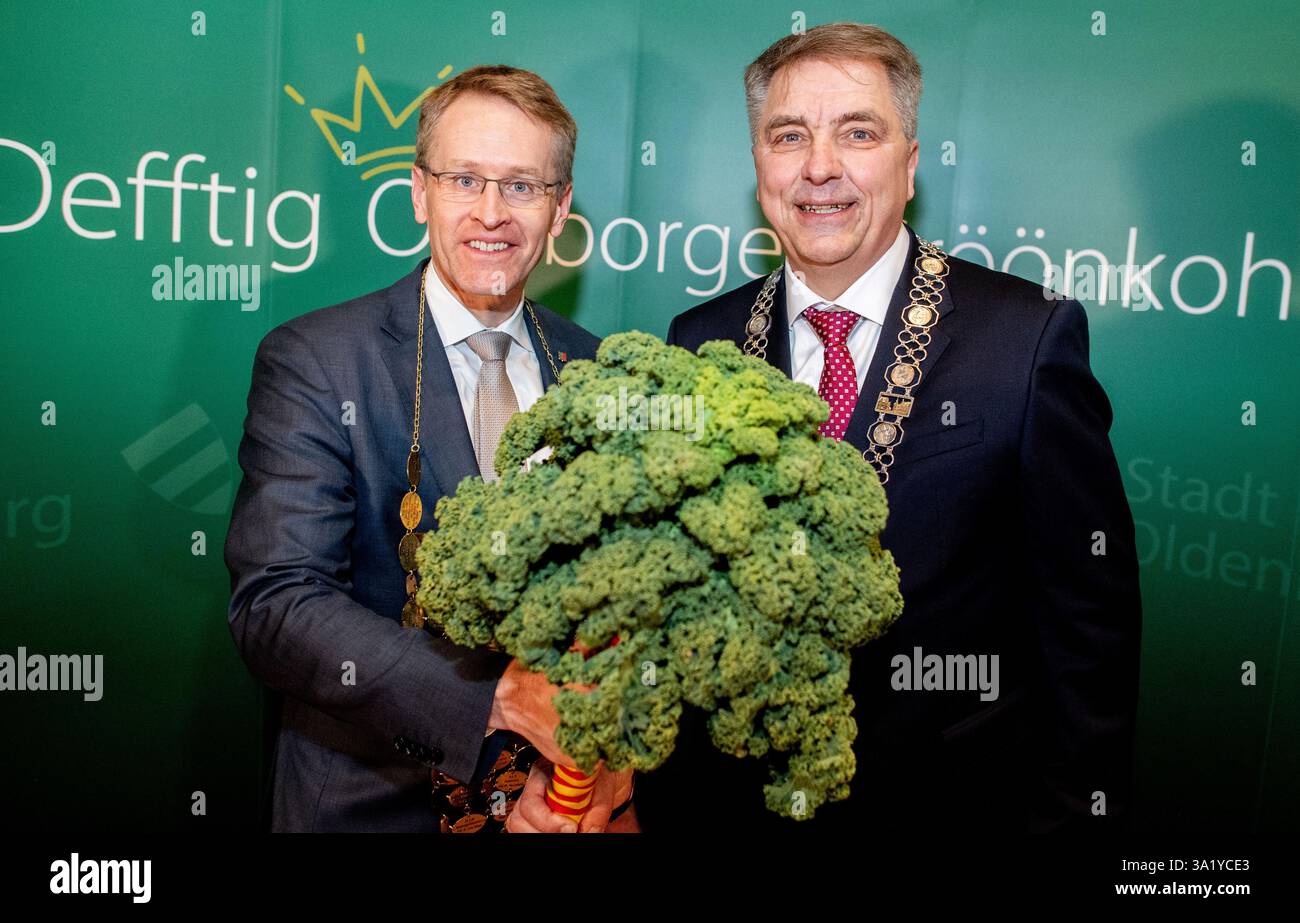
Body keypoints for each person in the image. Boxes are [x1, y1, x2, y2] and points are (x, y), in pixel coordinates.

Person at [633, 22, 1142, 833]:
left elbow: (1088, 628)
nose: (819, 166)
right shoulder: (698, 341)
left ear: (908, 165)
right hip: (729, 801)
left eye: (857, 133)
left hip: (947, 803)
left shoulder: (1024, 340)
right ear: (760, 163)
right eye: (788, 135)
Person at [224, 65, 628, 832]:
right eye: (464, 178)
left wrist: (591, 773)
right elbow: (275, 606)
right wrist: (501, 698)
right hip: (369, 807)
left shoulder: (600, 371)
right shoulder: (317, 359)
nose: (491, 212)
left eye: (522, 186)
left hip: (550, 806)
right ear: (419, 192)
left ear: (560, 207)